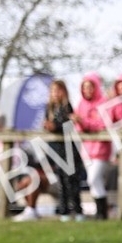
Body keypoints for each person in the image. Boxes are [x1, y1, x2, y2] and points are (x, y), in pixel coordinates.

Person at [38, 79, 83, 221]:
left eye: (58, 90)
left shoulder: (67, 106)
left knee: (72, 180)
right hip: (56, 149)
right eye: (53, 91)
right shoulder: (49, 108)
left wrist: (55, 126)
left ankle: (78, 211)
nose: (55, 93)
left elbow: (67, 124)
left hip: (69, 149)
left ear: (63, 91)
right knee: (62, 181)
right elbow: (49, 124)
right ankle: (63, 211)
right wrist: (47, 126)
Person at [73, 73, 113, 220]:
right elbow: (78, 128)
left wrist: (84, 123)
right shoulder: (81, 104)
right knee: (95, 181)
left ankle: (102, 210)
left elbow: (102, 124)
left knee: (93, 179)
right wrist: (80, 123)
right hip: (87, 150)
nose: (87, 90)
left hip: (101, 150)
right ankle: (101, 213)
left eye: (90, 87)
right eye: (85, 88)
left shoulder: (104, 103)